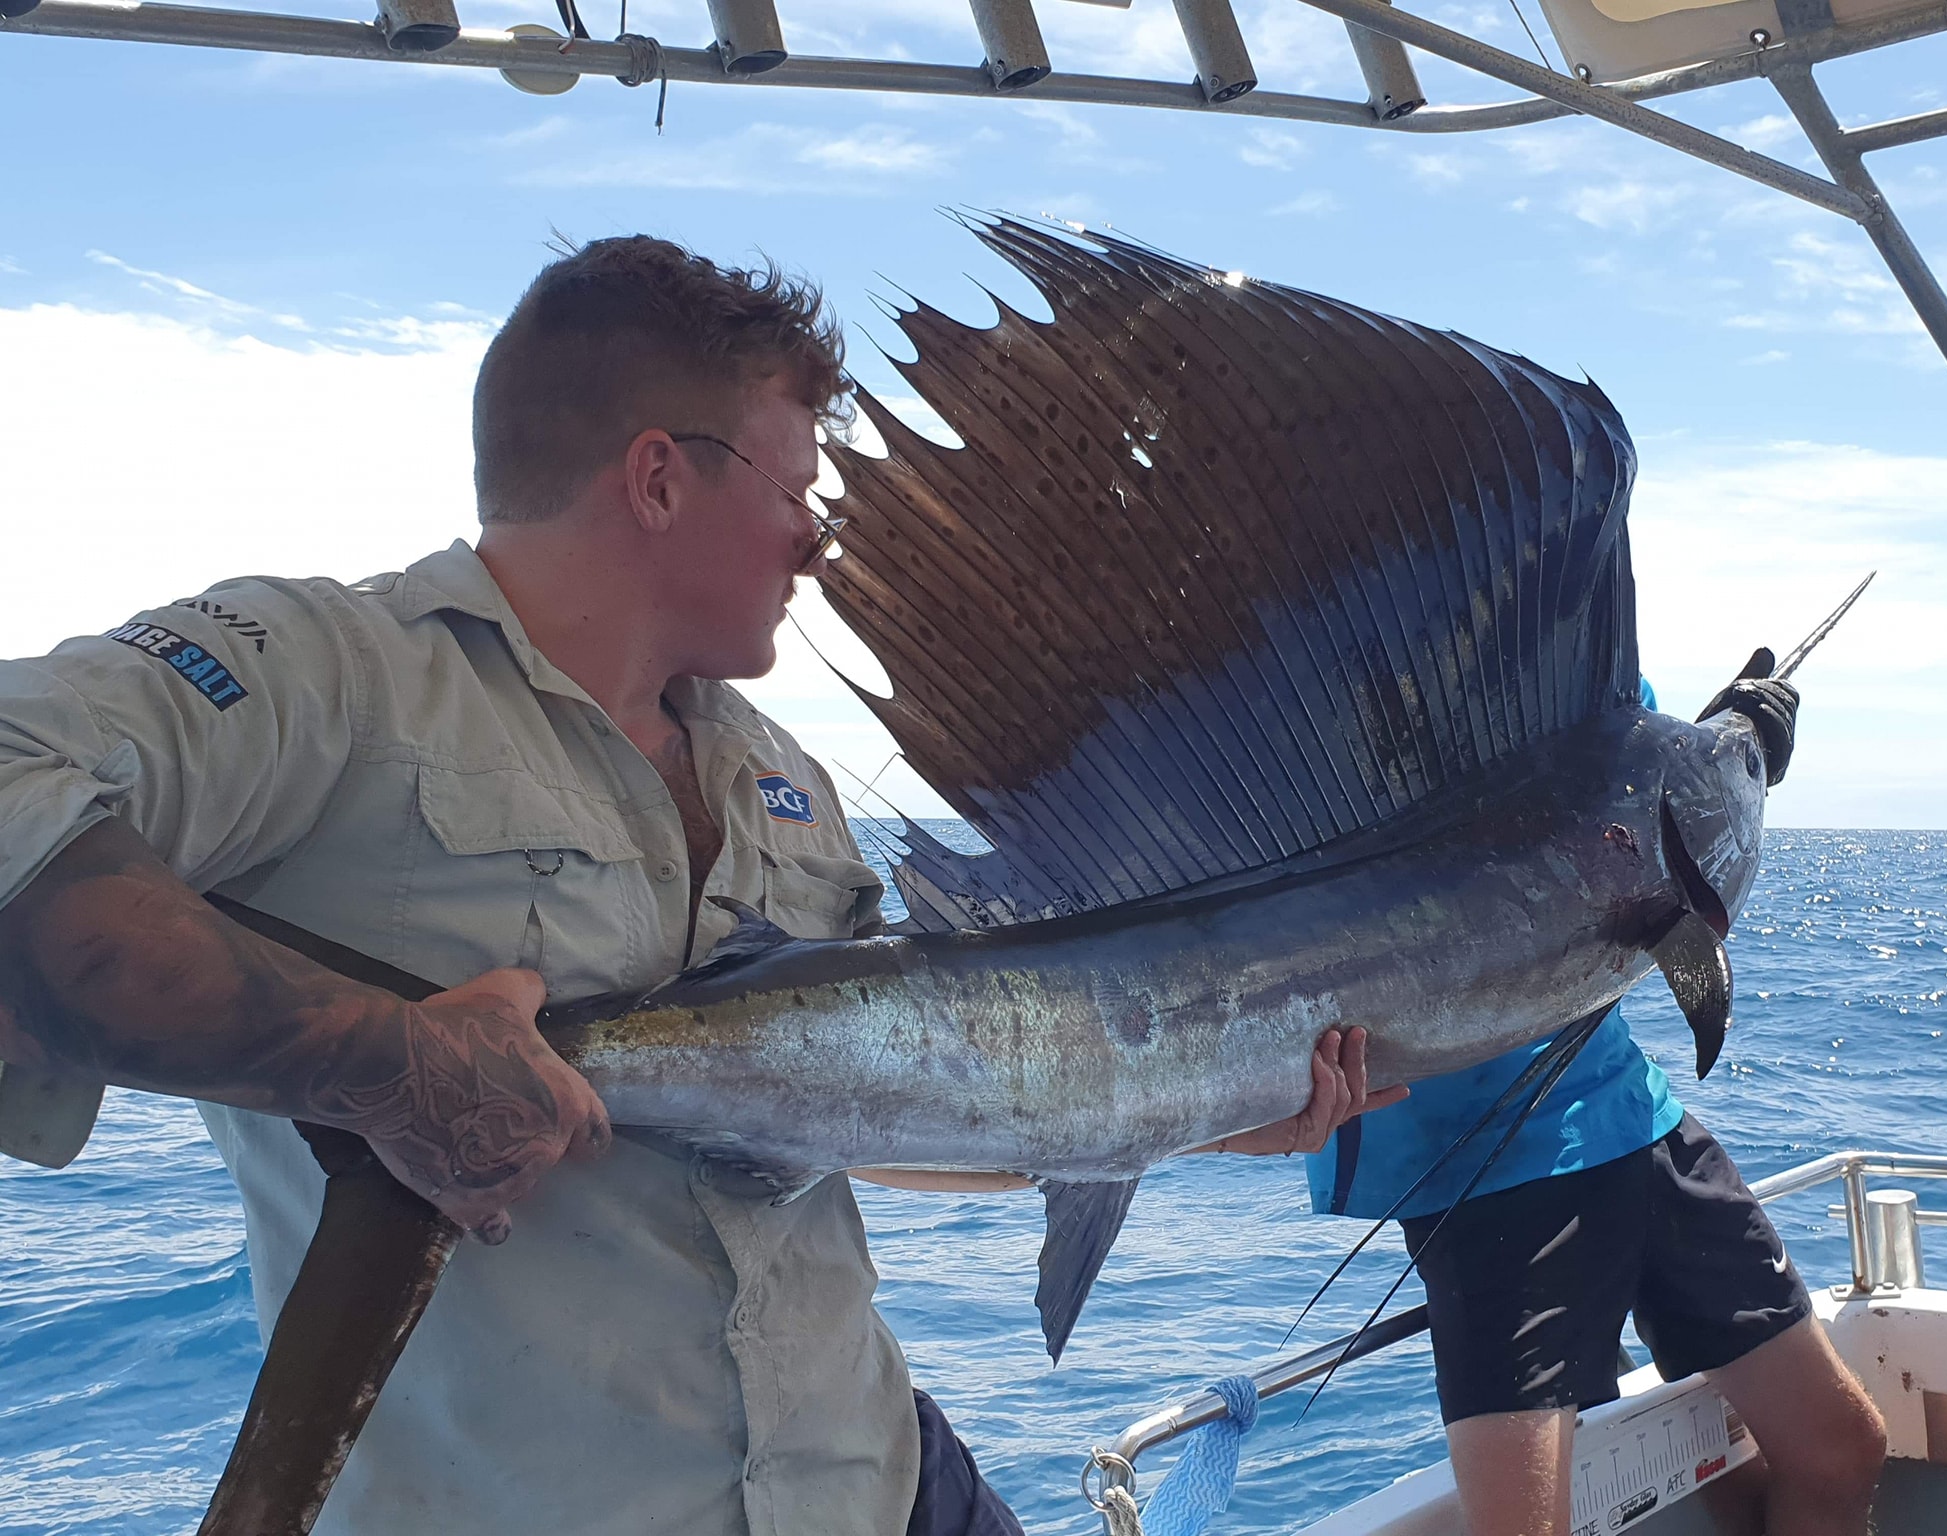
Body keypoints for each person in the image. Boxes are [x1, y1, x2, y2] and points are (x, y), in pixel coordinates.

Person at [0, 236, 1390, 1536]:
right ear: (660, 478)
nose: (818, 542)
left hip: (870, 1474)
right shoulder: (336, 669)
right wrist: (379, 1062)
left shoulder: (777, 775)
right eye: (799, 493)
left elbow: (873, 1109)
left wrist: (1174, 1116)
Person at [1308, 677, 1889, 1536]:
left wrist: (1729, 761)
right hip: (1481, 1173)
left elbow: (1653, 889)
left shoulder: (1574, 646)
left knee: (1841, 1447)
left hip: (1634, 1119)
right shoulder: (1333, 700)